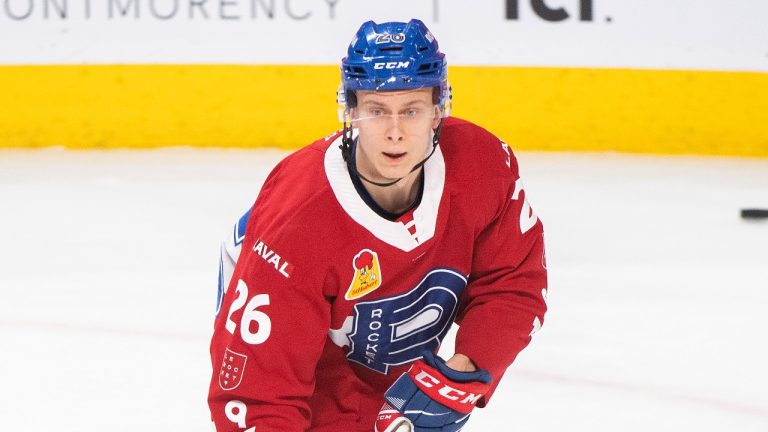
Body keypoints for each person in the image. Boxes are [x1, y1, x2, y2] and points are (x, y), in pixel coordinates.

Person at [208, 19, 548, 432]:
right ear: (349, 111)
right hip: (307, 389)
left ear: (439, 110)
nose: (394, 132)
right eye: (376, 110)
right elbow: (258, 396)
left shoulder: (483, 167)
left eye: (412, 110)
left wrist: (461, 372)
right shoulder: (298, 218)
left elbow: (512, 284)